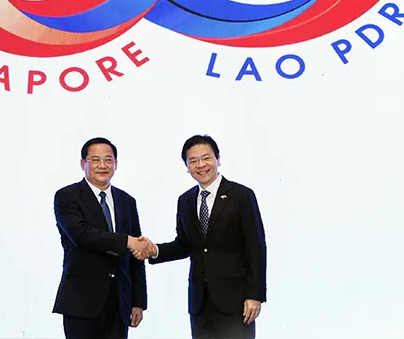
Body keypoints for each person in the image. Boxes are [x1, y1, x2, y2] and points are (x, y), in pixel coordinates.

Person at [145, 135, 267, 339]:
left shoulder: (241, 195)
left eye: (206, 158)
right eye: (193, 161)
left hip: (235, 302)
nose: (200, 165)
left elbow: (256, 247)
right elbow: (185, 245)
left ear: (218, 159)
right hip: (200, 302)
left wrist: (255, 295)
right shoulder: (185, 200)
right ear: (186, 166)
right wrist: (155, 250)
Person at [53, 137, 156, 339]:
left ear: (116, 164)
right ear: (84, 164)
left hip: (119, 302)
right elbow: (81, 236)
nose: (103, 165)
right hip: (81, 302)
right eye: (95, 160)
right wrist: (126, 241)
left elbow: (136, 256)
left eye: (108, 160)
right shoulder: (67, 196)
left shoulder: (127, 201)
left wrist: (138, 301)